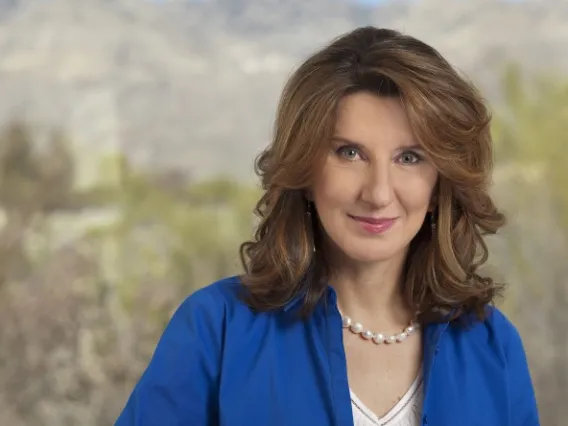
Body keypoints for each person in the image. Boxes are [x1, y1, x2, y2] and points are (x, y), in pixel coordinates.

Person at [115, 27, 540, 426]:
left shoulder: (492, 346)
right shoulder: (217, 329)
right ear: (305, 171)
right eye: (350, 153)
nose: (377, 193)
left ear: (440, 183)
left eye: (409, 157)